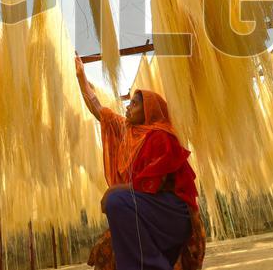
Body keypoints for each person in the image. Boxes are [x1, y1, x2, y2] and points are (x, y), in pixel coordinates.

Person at [74, 53, 206, 270]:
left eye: (134, 104)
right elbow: (98, 108)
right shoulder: (127, 131)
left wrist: (114, 191)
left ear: (148, 111)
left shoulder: (161, 135)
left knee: (116, 201)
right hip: (146, 209)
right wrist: (81, 78)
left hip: (171, 212)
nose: (127, 107)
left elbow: (158, 183)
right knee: (111, 245)